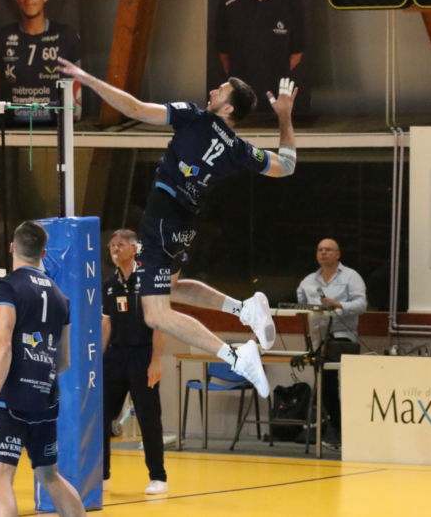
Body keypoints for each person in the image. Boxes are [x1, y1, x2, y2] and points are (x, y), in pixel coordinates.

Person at [58, 58, 299, 399]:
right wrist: (284, 116)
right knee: (169, 288)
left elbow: (137, 108)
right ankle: (243, 309)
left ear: (226, 107)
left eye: (220, 90)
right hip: (184, 221)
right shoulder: (238, 149)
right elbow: (287, 166)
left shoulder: (196, 116)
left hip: (163, 216)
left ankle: (236, 356)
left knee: (156, 315)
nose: (212, 91)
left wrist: (89, 79)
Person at [0, 221, 85, 517]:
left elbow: (3, 343)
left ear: (12, 247)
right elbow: (64, 361)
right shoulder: (62, 298)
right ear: (44, 253)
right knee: (49, 474)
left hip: (11, 398)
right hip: (46, 399)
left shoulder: (6, 286)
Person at [101, 229, 167, 495]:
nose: (115, 249)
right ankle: (101, 474)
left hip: (143, 355)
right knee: (102, 416)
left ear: (134, 248)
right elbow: (106, 324)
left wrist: (156, 361)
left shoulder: (149, 280)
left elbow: (160, 325)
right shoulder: (109, 284)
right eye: (112, 246)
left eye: (120, 245)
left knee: (149, 418)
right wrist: (98, 358)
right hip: (115, 357)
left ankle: (158, 477)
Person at [215, 0, 306, 112]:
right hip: (240, 104)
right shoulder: (229, 3)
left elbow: (297, 53)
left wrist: (270, 76)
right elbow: (223, 54)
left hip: (279, 102)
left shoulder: (291, 2)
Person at [0, 0, 82, 126]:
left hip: (57, 129)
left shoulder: (66, 35)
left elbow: (79, 82)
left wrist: (74, 119)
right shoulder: (0, 37)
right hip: (13, 130)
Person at [296, 238, 366, 447]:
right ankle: (333, 426)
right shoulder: (308, 281)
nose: (323, 253)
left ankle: (346, 429)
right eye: (320, 250)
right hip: (318, 338)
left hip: (342, 336)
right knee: (325, 385)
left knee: (338, 383)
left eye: (328, 250)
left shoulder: (351, 277)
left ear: (338, 254)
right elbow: (300, 305)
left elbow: (361, 304)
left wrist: (339, 305)